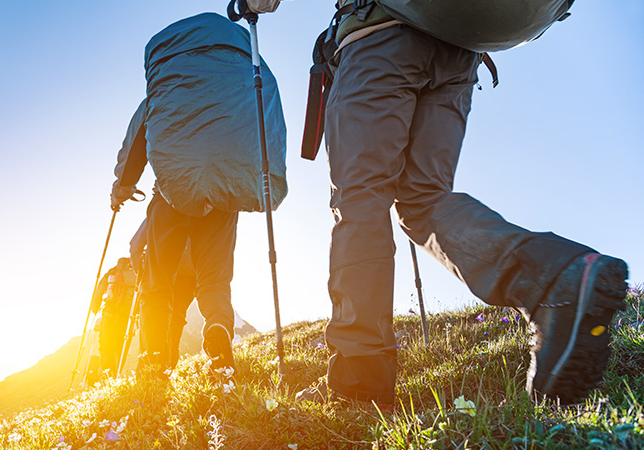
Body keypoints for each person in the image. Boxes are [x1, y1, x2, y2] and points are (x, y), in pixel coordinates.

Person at [246, 0, 629, 406]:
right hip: (459, 47)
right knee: (422, 201)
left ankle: (360, 376)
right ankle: (556, 279)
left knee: (360, 198)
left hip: (379, 38)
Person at [110, 12, 287, 377]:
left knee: (158, 281)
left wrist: (121, 188)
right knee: (215, 278)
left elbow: (136, 144)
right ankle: (219, 333)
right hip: (222, 194)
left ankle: (155, 358)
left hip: (170, 196)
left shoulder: (164, 91)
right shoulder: (236, 86)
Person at [130, 217, 198, 370]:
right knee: (177, 318)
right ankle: (169, 365)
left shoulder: (163, 205)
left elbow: (135, 245)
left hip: (162, 268)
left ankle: (151, 365)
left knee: (154, 312)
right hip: (190, 274)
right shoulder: (198, 206)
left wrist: (140, 273)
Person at [91, 257, 137, 377]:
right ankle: (115, 375)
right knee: (121, 348)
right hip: (128, 319)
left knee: (106, 347)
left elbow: (100, 289)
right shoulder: (138, 272)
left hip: (110, 315)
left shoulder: (113, 272)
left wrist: (94, 307)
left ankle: (108, 376)